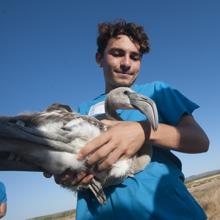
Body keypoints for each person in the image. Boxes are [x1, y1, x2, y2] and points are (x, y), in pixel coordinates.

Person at [55, 20, 209, 219]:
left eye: (135, 57)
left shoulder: (157, 91)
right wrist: (66, 173)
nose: (126, 63)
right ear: (99, 58)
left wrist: (142, 131)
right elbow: (75, 164)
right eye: (117, 53)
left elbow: (199, 140)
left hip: (169, 212)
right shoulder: (83, 111)